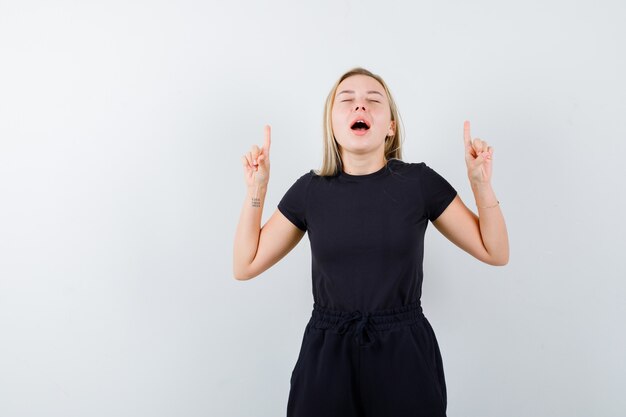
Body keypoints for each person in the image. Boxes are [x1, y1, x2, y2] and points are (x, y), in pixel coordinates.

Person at [233, 67, 509, 417]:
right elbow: (245, 264)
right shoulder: (310, 191)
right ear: (331, 124)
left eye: (373, 101)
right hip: (326, 355)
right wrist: (256, 190)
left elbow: (496, 251)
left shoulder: (419, 183)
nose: (359, 107)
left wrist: (481, 184)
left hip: (404, 354)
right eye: (347, 100)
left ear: (390, 126)